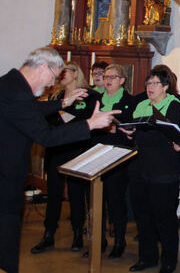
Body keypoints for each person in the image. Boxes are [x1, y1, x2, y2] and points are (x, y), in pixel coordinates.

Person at [0, 47, 118, 273]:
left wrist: (61, 104)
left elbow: (29, 109)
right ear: (44, 67)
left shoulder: (10, 83)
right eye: (54, 78)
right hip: (5, 179)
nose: (51, 85)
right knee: (5, 243)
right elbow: (47, 136)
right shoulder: (17, 92)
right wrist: (90, 124)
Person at [121, 68, 180, 273]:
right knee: (143, 215)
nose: (150, 88)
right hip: (140, 167)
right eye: (148, 84)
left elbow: (171, 136)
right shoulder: (141, 104)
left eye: (155, 84)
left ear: (165, 86)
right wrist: (129, 132)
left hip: (164, 169)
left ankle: (169, 261)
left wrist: (143, 132)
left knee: (164, 217)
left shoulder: (174, 104)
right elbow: (138, 133)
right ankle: (147, 257)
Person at [31, 62, 99, 255]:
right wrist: (64, 115)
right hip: (57, 149)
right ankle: (48, 233)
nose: (61, 75)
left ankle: (78, 233)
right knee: (54, 193)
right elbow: (48, 120)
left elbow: (87, 120)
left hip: (77, 150)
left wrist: (63, 116)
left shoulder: (90, 95)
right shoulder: (56, 96)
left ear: (75, 73)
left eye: (65, 71)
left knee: (76, 193)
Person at [94, 64, 137, 259]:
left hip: (117, 156)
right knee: (96, 200)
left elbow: (132, 132)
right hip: (96, 154)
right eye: (106, 76)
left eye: (113, 76)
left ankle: (119, 240)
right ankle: (98, 240)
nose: (108, 80)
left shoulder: (130, 101)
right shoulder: (96, 99)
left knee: (115, 200)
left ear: (122, 80)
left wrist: (113, 130)